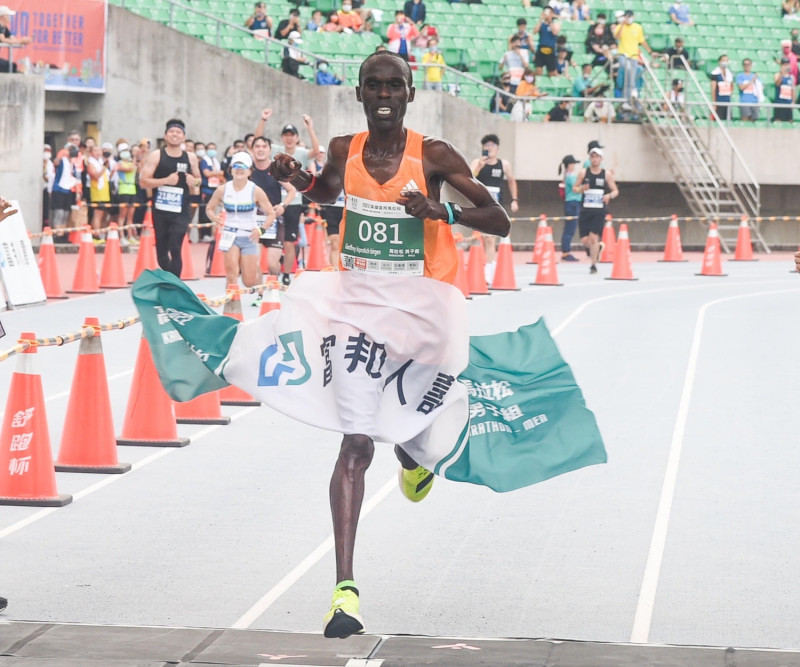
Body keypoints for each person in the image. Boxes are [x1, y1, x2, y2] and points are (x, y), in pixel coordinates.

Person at [267, 51, 510, 640]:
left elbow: (498, 219)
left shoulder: (433, 156)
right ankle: (344, 592)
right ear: (357, 91)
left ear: (408, 94)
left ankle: (414, 458)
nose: (383, 94)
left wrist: (442, 209)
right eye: (373, 85)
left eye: (394, 86)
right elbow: (327, 192)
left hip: (420, 315)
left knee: (406, 437)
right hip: (356, 311)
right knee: (354, 442)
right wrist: (294, 177)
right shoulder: (344, 150)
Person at [254, 109, 321, 284]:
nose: (289, 138)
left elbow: (315, 150)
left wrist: (310, 128)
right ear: (282, 137)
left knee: (289, 242)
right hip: (273, 204)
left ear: (296, 137)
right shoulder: (276, 150)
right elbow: (257, 142)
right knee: (266, 242)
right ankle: (263, 275)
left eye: (292, 135)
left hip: (293, 203)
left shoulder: (301, 152)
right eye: (286, 134)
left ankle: (286, 275)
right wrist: (263, 120)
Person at [139, 118, 201, 277]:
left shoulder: (191, 157)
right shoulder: (156, 156)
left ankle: (175, 284)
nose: (175, 135)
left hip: (181, 210)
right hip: (160, 210)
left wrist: (193, 181)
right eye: (172, 132)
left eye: (178, 132)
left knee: (175, 245)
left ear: (183, 137)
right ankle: (170, 279)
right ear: (166, 136)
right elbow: (143, 181)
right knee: (162, 252)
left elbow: (198, 180)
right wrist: (166, 181)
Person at [204, 151, 276, 288]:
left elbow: (271, 213)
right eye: (236, 166)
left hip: (249, 236)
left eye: (243, 167)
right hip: (230, 234)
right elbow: (209, 208)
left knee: (249, 282)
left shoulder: (256, 191)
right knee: (231, 276)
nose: (240, 170)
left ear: (250, 171)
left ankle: (250, 269)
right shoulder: (222, 189)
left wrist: (261, 230)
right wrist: (215, 218)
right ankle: (230, 308)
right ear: (231, 170)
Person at [469, 133, 518, 282]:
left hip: (495, 206)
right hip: (478, 206)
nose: (489, 148)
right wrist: (479, 166)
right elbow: (468, 178)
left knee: (490, 239)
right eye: (486, 146)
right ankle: (479, 268)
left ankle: (489, 271)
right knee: (478, 238)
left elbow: (511, 181)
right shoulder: (477, 162)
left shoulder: (504, 164)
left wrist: (514, 199)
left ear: (497, 149)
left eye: (492, 146)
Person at [250, 136, 297, 279]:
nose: (260, 149)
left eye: (264, 146)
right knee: (254, 262)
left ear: (270, 150)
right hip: (254, 220)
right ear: (252, 150)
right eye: (257, 146)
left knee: (272, 264)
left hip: (274, 221)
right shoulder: (248, 170)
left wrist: (283, 205)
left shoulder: (275, 170)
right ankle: (259, 295)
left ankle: (274, 284)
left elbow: (292, 191)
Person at [574, 144, 617, 274]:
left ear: (601, 159)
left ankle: (593, 265)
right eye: (592, 157)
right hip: (585, 209)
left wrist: (609, 195)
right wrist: (581, 189)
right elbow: (574, 188)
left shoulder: (606, 175)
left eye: (597, 157)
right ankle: (597, 248)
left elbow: (615, 190)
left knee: (593, 238)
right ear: (589, 158)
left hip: (599, 210)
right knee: (585, 240)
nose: (594, 159)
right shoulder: (583, 173)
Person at [558, 154, 581, 261]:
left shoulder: (567, 175)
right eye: (573, 164)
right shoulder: (570, 176)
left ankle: (566, 251)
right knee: (570, 228)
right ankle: (566, 252)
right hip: (572, 203)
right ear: (569, 165)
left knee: (570, 227)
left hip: (572, 203)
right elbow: (577, 188)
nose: (574, 166)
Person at [116, 143, 139, 244]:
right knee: (122, 215)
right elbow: (130, 169)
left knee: (130, 216)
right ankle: (121, 236)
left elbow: (134, 168)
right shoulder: (119, 163)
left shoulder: (131, 163)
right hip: (124, 189)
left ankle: (130, 236)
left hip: (132, 189)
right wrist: (135, 157)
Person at [0, 5, 31, 73]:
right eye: (8, 15)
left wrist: (22, 41)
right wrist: (20, 41)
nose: (9, 17)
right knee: (11, 67)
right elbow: (2, 39)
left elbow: (12, 38)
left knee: (12, 66)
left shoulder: (5, 28)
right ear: (2, 17)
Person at [533, 7, 560, 77]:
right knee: (538, 70)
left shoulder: (555, 24)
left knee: (551, 72)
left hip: (550, 49)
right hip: (541, 48)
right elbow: (534, 31)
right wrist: (540, 20)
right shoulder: (542, 24)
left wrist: (550, 21)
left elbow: (555, 32)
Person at [710, 54, 734, 121]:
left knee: (728, 120)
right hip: (719, 101)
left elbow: (732, 85)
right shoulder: (715, 73)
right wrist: (714, 103)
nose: (725, 62)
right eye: (723, 60)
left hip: (727, 101)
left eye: (726, 60)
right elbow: (713, 89)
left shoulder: (729, 73)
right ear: (719, 61)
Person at [773, 58, 795, 122]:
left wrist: (793, 101)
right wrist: (781, 74)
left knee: (790, 120)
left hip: (788, 103)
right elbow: (777, 83)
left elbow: (793, 90)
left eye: (787, 64)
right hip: (779, 102)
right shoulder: (777, 75)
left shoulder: (791, 77)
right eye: (784, 64)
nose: (786, 66)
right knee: (778, 120)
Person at [43, 144, 54, 227]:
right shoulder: (40, 162)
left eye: (48, 151)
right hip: (42, 188)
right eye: (45, 150)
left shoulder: (50, 163)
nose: (47, 153)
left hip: (49, 188)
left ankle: (46, 224)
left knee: (47, 208)